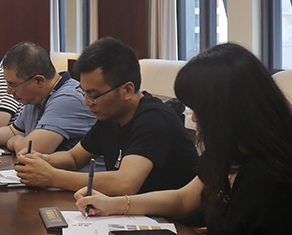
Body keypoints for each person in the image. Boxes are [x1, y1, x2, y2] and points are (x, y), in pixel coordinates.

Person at [76, 43, 292, 235]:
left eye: (199, 109)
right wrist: (112, 204)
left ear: (229, 110)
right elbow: (184, 199)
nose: (194, 118)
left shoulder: (271, 174)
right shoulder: (227, 153)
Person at [14, 37, 198, 195]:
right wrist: (41, 159)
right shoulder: (111, 116)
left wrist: (53, 177)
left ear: (127, 90)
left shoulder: (154, 119)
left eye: (94, 95)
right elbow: (74, 158)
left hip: (172, 222)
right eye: (85, 93)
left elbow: (125, 183)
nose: (87, 102)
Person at [0, 42, 98, 158]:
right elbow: (14, 131)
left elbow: (33, 149)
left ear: (39, 81)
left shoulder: (68, 99)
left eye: (12, 85)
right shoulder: (36, 97)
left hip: (80, 181)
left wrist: (15, 142)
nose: (9, 91)